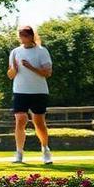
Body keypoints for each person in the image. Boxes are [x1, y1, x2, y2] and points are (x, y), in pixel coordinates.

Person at [9, 25, 54, 164]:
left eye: (25, 35)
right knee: (21, 119)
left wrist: (31, 67)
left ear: (31, 36)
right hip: (20, 91)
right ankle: (19, 153)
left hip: (38, 91)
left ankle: (45, 149)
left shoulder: (41, 51)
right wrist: (14, 69)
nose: (22, 38)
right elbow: (10, 75)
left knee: (39, 123)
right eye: (20, 35)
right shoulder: (15, 52)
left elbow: (47, 73)